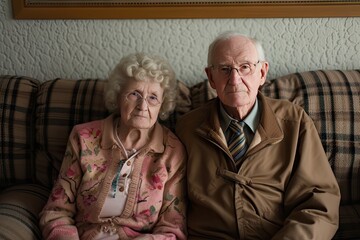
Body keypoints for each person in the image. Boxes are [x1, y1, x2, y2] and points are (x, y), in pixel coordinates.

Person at [175, 31, 340, 239]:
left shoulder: (294, 122)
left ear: (262, 72)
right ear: (211, 77)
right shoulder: (187, 128)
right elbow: (169, 202)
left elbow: (319, 203)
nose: (235, 79)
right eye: (225, 69)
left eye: (245, 67)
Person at [39, 53, 187, 240]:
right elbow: (56, 211)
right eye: (134, 94)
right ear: (117, 97)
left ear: (162, 104)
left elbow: (172, 226)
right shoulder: (84, 138)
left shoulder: (172, 151)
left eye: (152, 98)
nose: (142, 106)